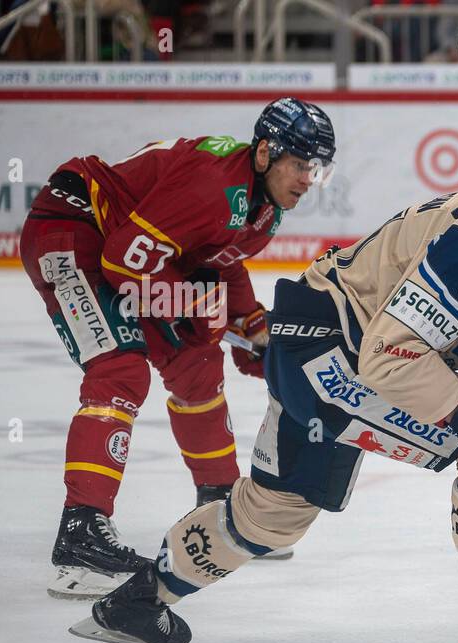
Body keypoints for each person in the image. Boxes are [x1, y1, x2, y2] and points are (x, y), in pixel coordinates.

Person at [69, 124, 458, 643]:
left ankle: (136, 602)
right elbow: (391, 358)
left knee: (274, 514)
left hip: (317, 341)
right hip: (334, 354)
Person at [21, 97, 336, 599]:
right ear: (264, 154)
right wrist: (194, 308)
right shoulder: (216, 184)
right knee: (120, 369)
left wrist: (252, 327)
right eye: (299, 164)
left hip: (121, 251)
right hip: (72, 229)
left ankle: (220, 507)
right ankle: (80, 530)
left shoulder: (263, 207)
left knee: (199, 363)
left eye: (315, 168)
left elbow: (218, 262)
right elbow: (125, 260)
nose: (307, 179)